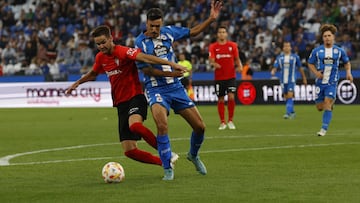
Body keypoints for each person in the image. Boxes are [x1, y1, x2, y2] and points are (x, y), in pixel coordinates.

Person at [65, 25, 186, 170]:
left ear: (111, 38)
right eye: (98, 44)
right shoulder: (100, 57)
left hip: (135, 97)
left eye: (103, 42)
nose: (101, 46)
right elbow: (93, 74)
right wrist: (77, 83)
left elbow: (145, 57)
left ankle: (167, 154)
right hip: (120, 103)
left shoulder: (122, 51)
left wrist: (171, 64)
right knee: (130, 151)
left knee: (135, 125)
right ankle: (165, 163)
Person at [134, 0, 222, 180]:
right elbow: (146, 70)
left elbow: (193, 32)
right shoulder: (140, 42)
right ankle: (167, 167)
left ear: (162, 23)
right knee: (162, 125)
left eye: (158, 26)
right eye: (152, 26)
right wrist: (173, 73)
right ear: (146, 24)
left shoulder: (169, 33)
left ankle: (193, 155)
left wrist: (211, 19)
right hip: (156, 89)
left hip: (176, 88)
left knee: (200, 127)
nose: (155, 30)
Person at [307, 24, 353, 136]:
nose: (327, 38)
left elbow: (347, 63)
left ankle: (323, 129)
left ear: (333, 37)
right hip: (320, 83)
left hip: (332, 82)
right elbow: (310, 63)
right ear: (322, 38)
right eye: (325, 36)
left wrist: (348, 72)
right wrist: (316, 73)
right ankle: (330, 105)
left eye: (329, 35)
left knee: (327, 103)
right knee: (319, 107)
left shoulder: (339, 51)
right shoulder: (317, 51)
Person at [208, 26, 243, 130]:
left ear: (226, 34)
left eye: (224, 32)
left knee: (231, 97)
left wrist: (240, 66)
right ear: (217, 34)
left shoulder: (232, 45)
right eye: (220, 32)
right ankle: (222, 122)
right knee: (221, 99)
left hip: (231, 76)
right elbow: (211, 59)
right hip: (219, 77)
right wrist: (214, 63)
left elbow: (237, 59)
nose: (222, 34)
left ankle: (231, 120)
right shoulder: (213, 46)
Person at [271, 41, 307, 119]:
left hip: (292, 79)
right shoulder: (279, 58)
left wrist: (304, 78)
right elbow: (275, 66)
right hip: (283, 80)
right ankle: (292, 112)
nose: (287, 47)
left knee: (290, 95)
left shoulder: (295, 57)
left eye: (288, 46)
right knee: (286, 96)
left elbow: (300, 68)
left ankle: (287, 113)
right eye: (285, 46)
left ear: (290, 47)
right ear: (283, 48)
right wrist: (273, 70)